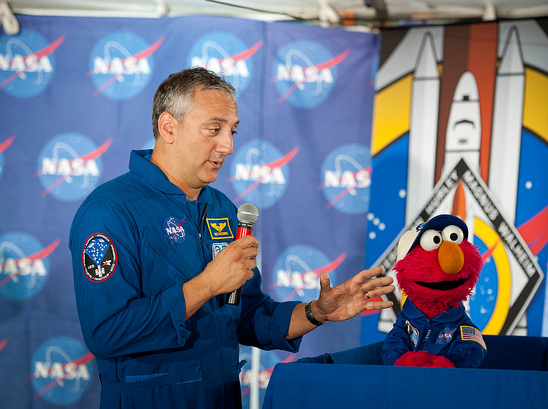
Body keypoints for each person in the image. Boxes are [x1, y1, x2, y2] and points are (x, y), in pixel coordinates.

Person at [69, 67, 395, 409]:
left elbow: (246, 314)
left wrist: (317, 312)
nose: (227, 145)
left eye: (232, 131)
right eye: (214, 129)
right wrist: (207, 284)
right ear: (168, 128)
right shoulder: (110, 209)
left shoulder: (221, 208)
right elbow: (107, 333)